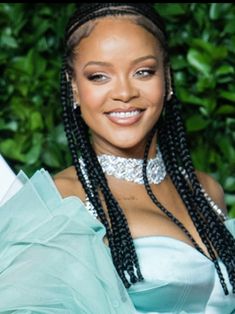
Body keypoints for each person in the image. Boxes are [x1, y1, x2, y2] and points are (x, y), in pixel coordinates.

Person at [0, 3, 234, 313]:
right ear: (74, 88)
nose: (124, 92)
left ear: (167, 78)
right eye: (98, 76)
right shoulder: (60, 203)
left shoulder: (206, 189)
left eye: (143, 71)